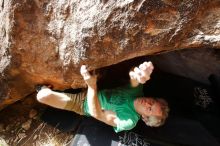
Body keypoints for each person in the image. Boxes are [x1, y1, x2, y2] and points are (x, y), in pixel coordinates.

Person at [36, 61, 169, 132]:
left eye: (149, 109)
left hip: (83, 103)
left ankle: (42, 89)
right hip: (95, 85)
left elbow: (97, 114)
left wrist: (91, 86)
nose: (147, 103)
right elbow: (135, 80)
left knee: (42, 96)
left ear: (145, 118)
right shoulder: (138, 92)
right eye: (152, 102)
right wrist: (138, 74)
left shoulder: (129, 121)